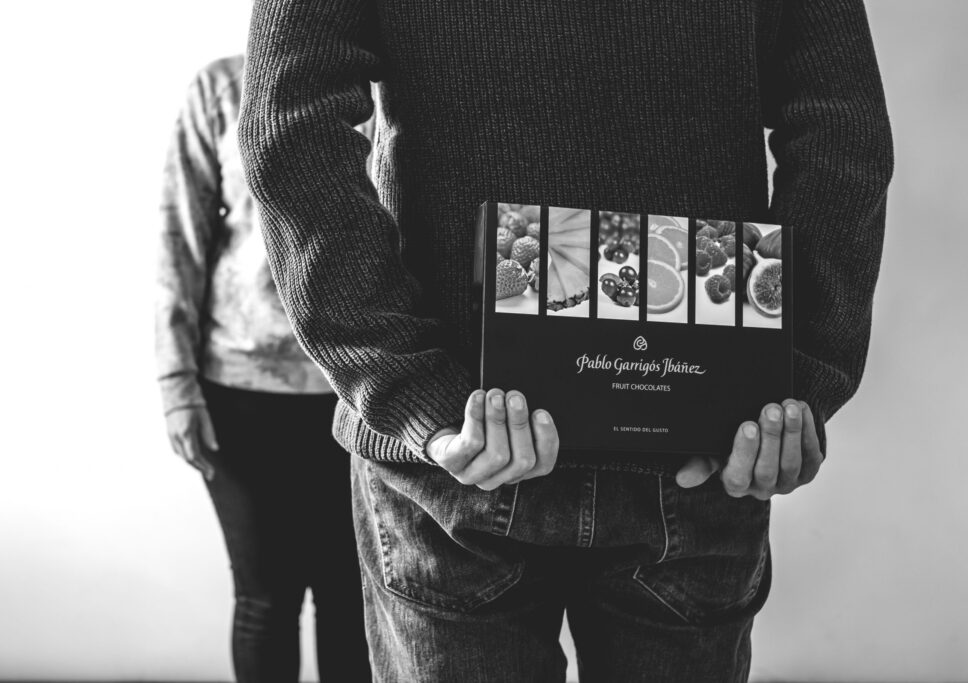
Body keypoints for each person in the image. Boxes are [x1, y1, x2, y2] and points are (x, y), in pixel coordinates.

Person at [238, 1, 893, 680]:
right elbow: (841, 129)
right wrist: (788, 378)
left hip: (475, 435)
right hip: (678, 430)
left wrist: (409, 386)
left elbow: (287, 125)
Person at [155, 55, 373, 683]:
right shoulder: (222, 88)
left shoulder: (398, 86)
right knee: (265, 598)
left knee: (350, 597)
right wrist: (176, 385)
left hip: (363, 389)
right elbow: (178, 238)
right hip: (239, 390)